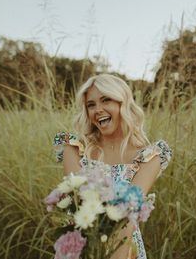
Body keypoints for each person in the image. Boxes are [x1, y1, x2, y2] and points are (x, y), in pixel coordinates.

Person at [53, 73, 172, 259]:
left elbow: (127, 217)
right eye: (90, 105)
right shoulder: (74, 148)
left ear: (122, 103)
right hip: (80, 248)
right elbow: (75, 207)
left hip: (123, 248)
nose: (97, 110)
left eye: (105, 100)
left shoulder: (150, 156)